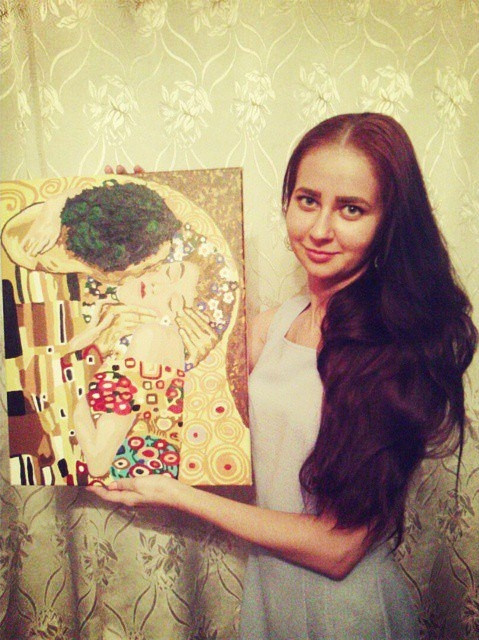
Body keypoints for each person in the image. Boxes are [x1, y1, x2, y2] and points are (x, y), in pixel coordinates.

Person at [89, 114, 477, 639]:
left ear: (389, 222)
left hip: (348, 614)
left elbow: (338, 549)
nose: (319, 230)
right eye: (308, 200)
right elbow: (166, 370)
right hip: (270, 598)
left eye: (352, 209)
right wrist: (147, 222)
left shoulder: (399, 346)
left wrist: (176, 495)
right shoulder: (275, 325)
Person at [2, 177, 241, 486]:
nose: (156, 282)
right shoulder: (123, 330)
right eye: (168, 271)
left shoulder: (153, 339)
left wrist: (81, 362)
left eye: (174, 302)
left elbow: (98, 461)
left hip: (120, 486)